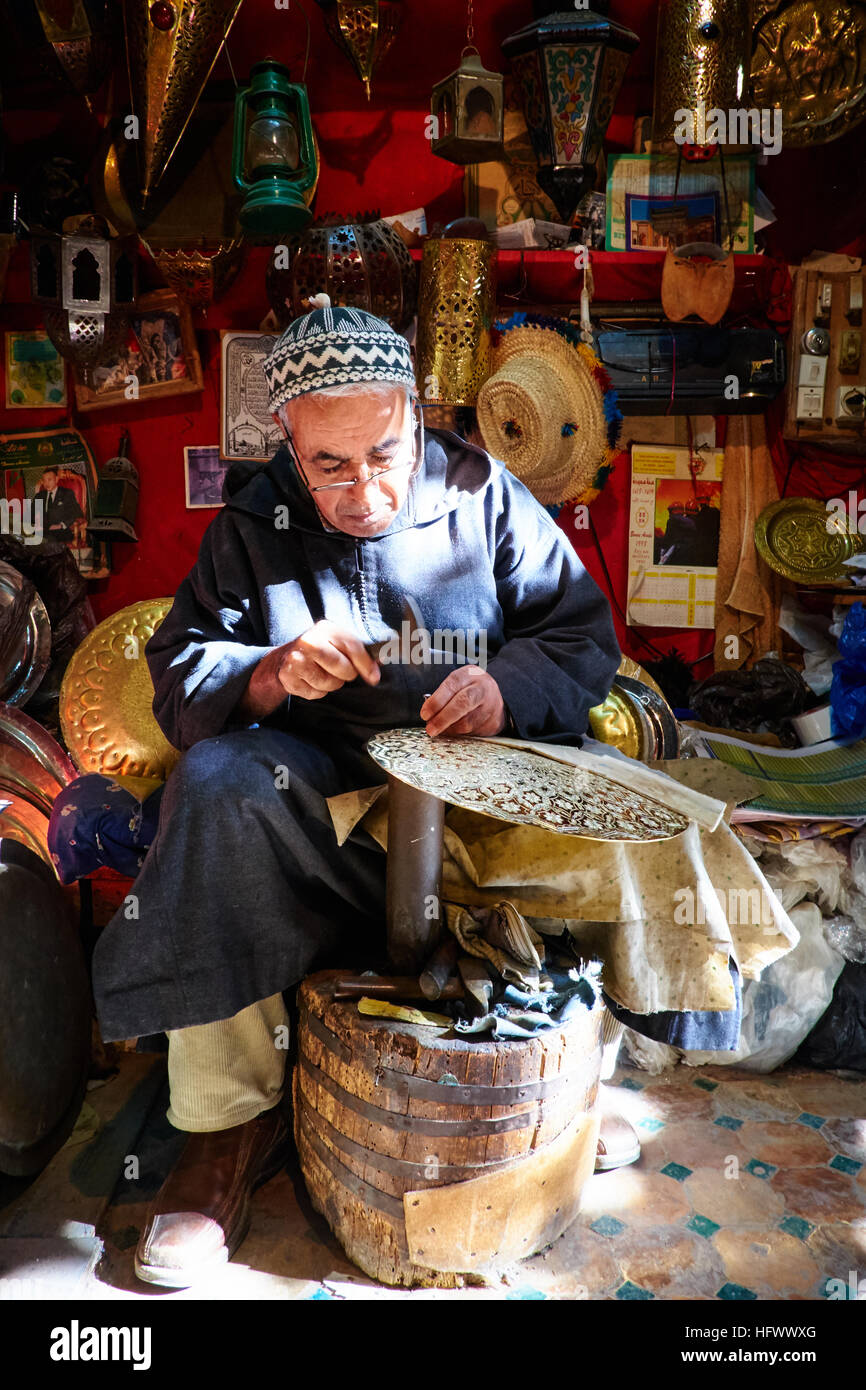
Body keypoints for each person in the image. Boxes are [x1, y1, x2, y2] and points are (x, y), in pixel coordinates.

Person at [88, 300, 622, 1288]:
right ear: (287, 441)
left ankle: (560, 1086)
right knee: (213, 785)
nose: (361, 490)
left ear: (414, 417)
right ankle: (222, 1129)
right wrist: (270, 671)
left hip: (472, 807)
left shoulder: (483, 493)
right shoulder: (257, 525)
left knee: (627, 802)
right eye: (326, 465)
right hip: (325, 821)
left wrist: (506, 688)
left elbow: (582, 639)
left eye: (381, 453)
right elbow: (178, 676)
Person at [40, 466, 83, 541]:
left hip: (61, 532)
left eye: (49, 479)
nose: (46, 483)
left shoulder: (67, 493)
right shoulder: (40, 495)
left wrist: (61, 525)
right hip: (42, 531)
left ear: (56, 479)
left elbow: (76, 513)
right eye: (44, 480)